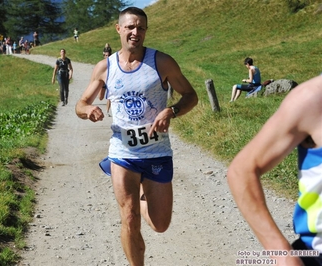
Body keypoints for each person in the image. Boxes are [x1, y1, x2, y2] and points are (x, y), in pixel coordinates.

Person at [75, 7, 198, 266]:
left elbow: (191, 96)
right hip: (122, 153)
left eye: (141, 27)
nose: (135, 32)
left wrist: (171, 111)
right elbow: (81, 103)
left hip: (157, 153)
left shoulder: (161, 62)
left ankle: (145, 196)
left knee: (160, 225)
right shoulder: (104, 67)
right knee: (129, 218)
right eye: (130, 27)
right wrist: (88, 110)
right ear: (118, 29)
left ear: (145, 31)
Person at [227, 75, 322, 266]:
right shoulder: (311, 98)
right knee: (237, 85)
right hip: (317, 254)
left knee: (237, 85)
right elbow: (242, 170)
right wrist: (285, 258)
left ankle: (232, 99)